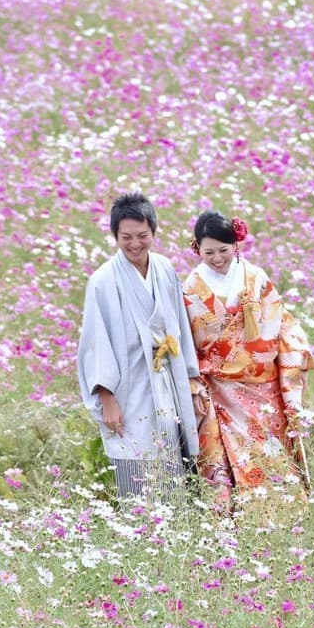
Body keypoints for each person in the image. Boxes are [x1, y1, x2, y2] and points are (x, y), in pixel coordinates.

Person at [183, 210, 314, 512]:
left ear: (236, 245)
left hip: (262, 382)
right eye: (209, 252)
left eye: (224, 251)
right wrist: (192, 381)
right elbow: (187, 338)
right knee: (229, 455)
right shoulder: (190, 287)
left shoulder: (256, 278)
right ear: (197, 249)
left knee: (269, 450)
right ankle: (237, 519)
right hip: (219, 386)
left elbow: (282, 323)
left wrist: (295, 365)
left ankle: (283, 512)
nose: (217, 258)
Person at [77, 192, 204, 498]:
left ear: (154, 233)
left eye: (142, 236)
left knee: (172, 450)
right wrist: (107, 398)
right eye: (127, 237)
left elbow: (180, 329)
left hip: (166, 376)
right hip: (128, 383)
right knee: (134, 451)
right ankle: (140, 527)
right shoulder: (103, 280)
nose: (135, 244)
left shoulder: (164, 269)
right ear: (115, 236)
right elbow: (96, 341)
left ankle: (174, 524)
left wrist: (191, 379)